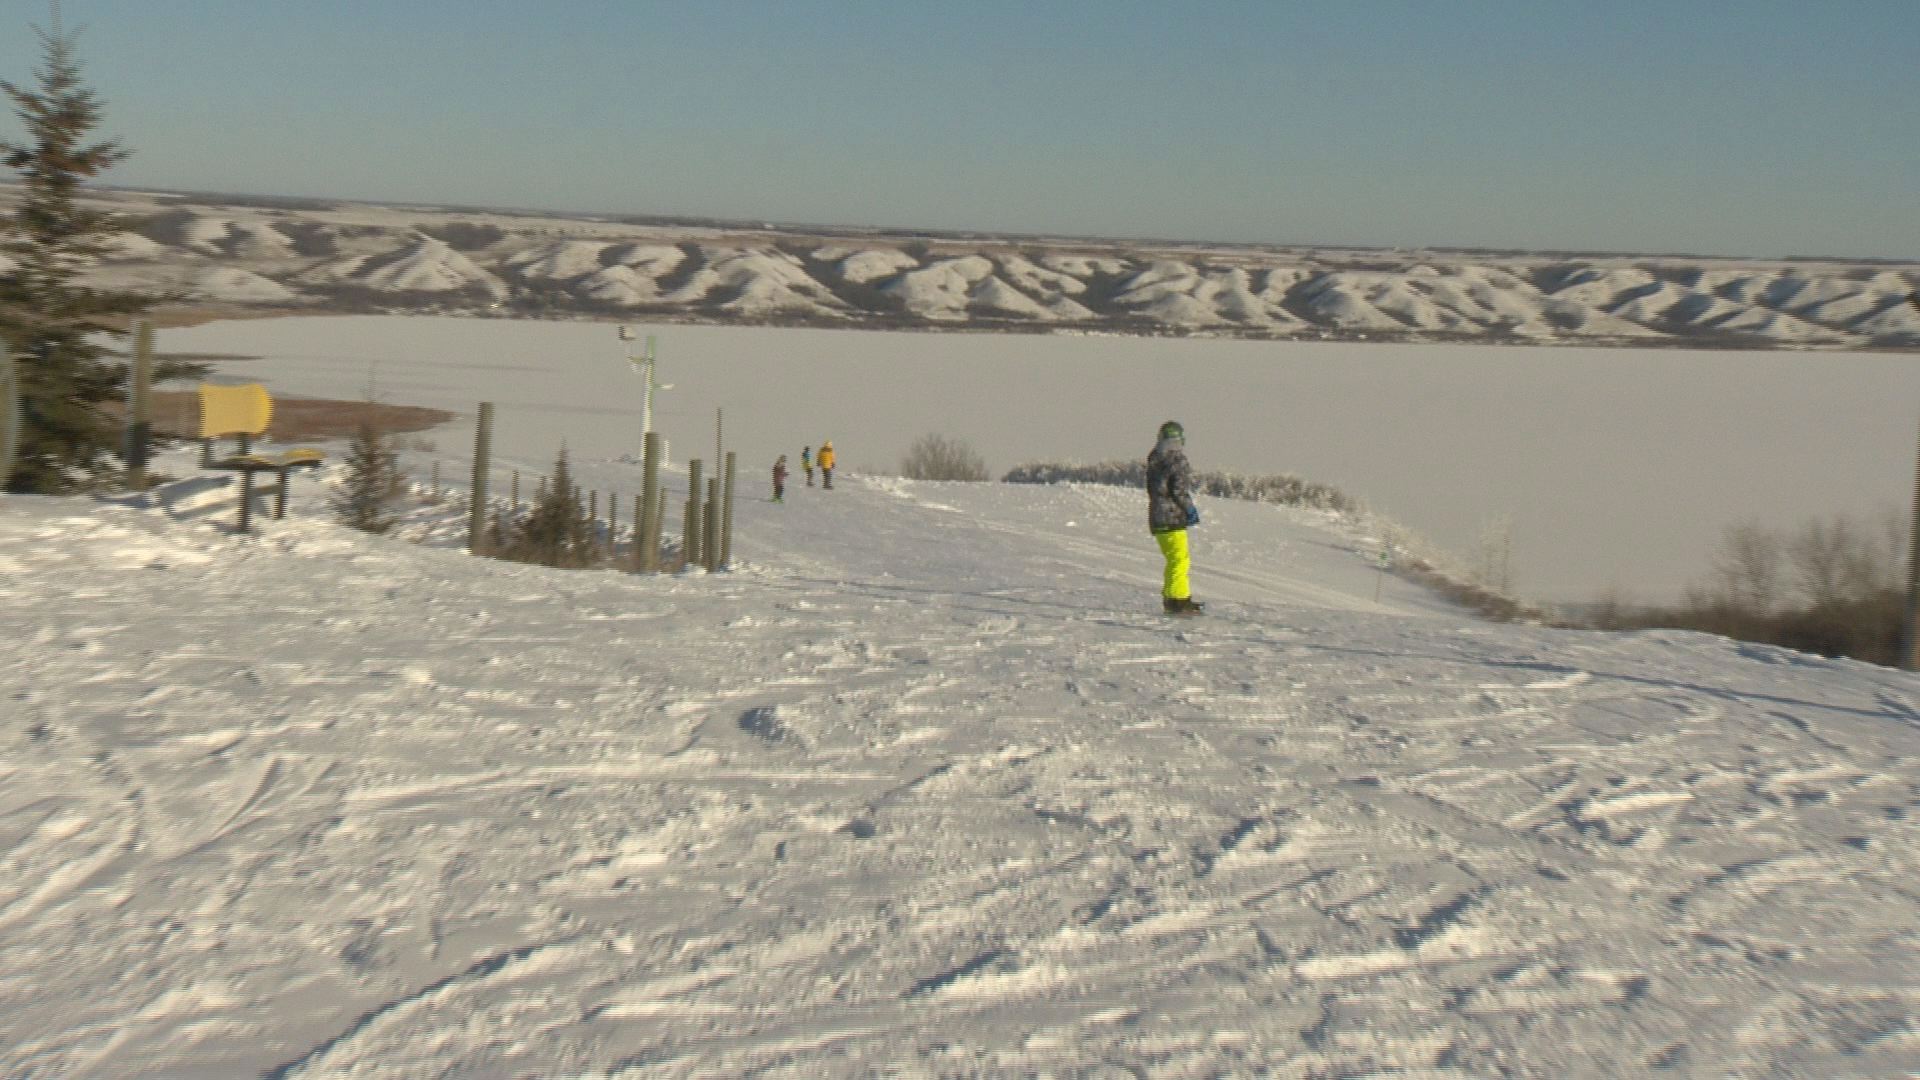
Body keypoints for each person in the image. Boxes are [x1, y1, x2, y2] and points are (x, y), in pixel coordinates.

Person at [1147, 420, 1203, 615]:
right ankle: (1177, 600)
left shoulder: (1155, 459)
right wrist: (1189, 509)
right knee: (1179, 559)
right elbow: (1178, 490)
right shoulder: (1176, 460)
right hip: (1172, 516)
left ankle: (1174, 596)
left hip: (1157, 517)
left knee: (1174, 558)